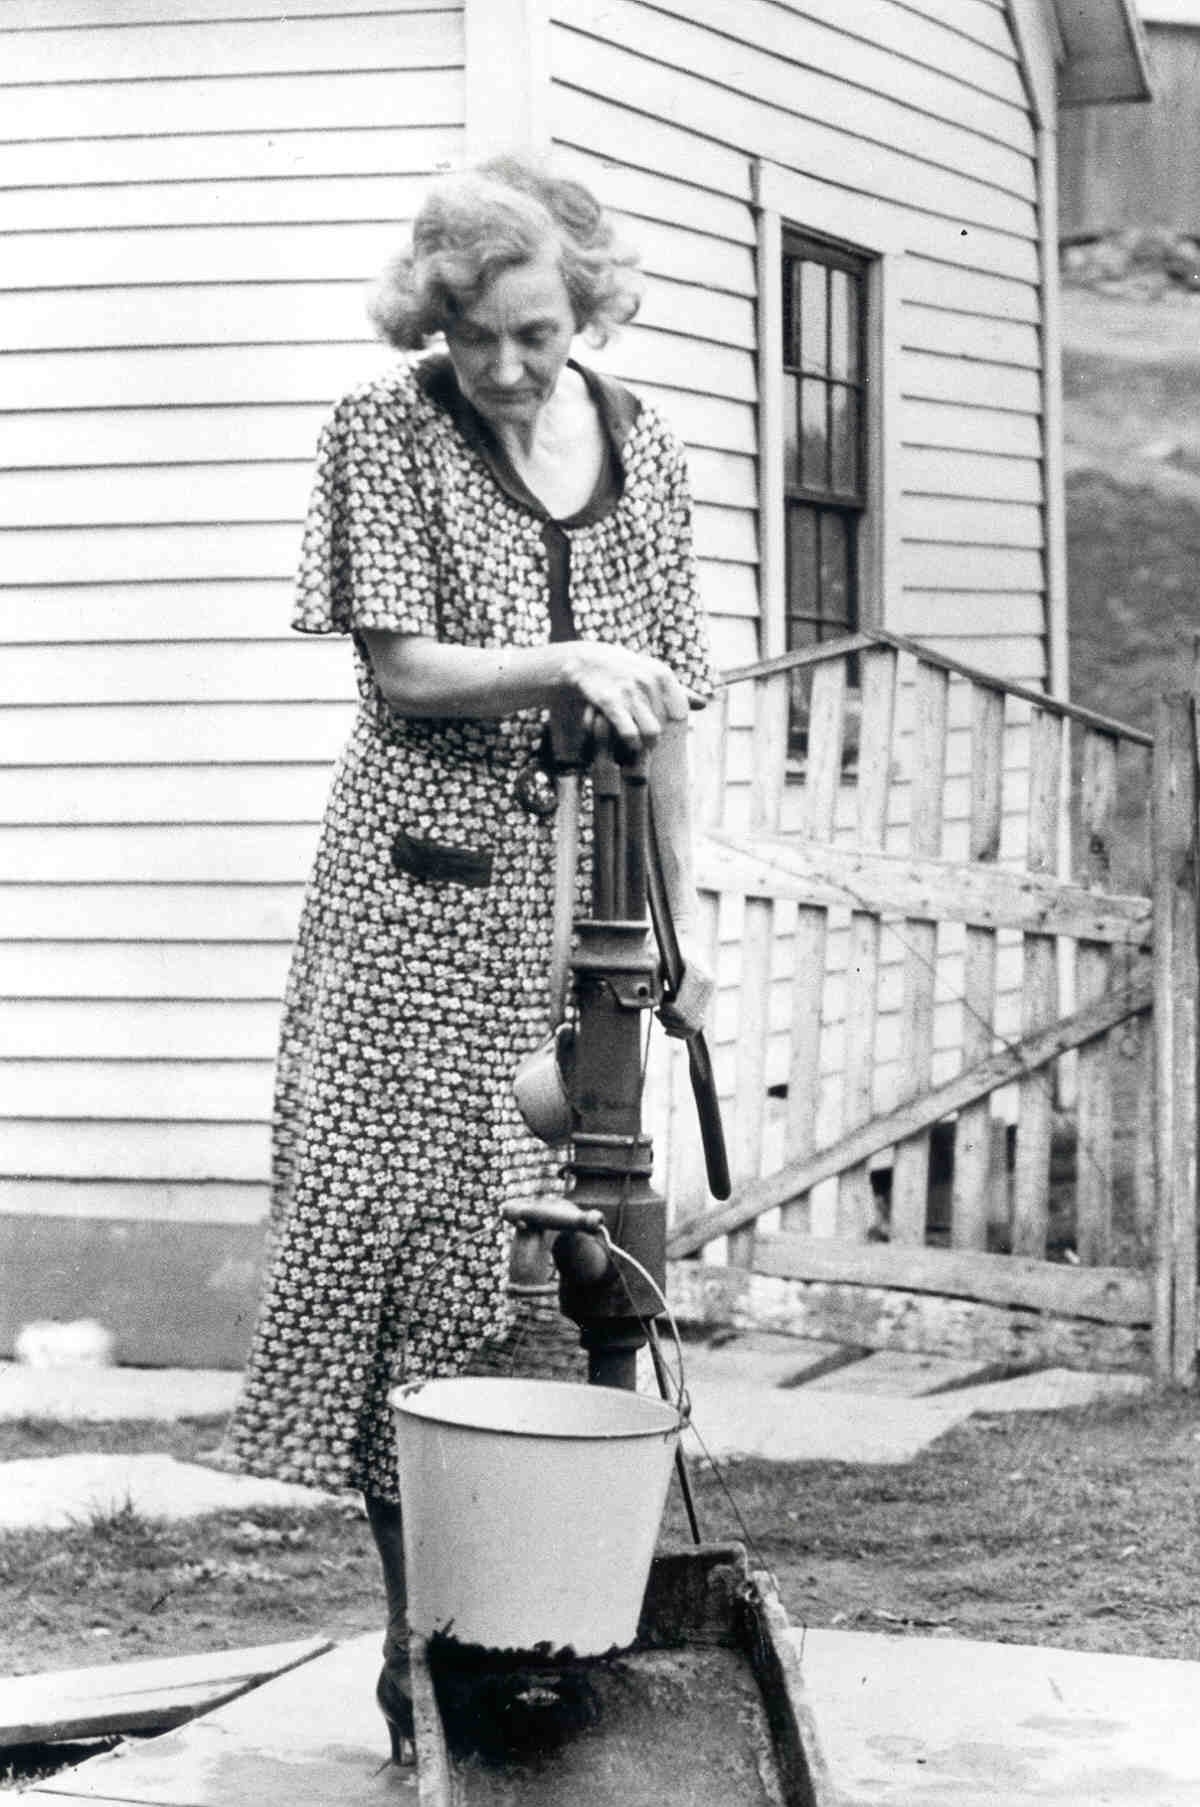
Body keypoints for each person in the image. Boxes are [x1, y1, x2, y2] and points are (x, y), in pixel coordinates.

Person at [220, 153, 718, 1763]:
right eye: (472, 337)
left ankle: (550, 1637)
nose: (503, 368)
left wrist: (686, 924)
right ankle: (414, 1640)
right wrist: (565, 656)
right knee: (402, 1256)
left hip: (589, 917)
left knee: (563, 1261)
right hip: (411, 913)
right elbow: (408, 670)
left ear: (589, 311)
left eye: (534, 335)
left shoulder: (653, 452)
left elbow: (669, 712)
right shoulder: (385, 427)